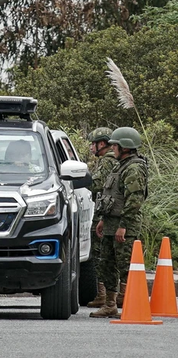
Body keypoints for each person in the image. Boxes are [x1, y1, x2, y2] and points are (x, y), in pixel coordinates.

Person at [90, 127, 148, 318]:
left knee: (126, 267)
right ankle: (110, 304)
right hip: (109, 224)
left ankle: (132, 303)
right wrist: (102, 220)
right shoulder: (119, 165)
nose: (112, 148)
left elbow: (134, 200)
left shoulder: (134, 168)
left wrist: (123, 225)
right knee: (106, 264)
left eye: (115, 145)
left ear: (125, 147)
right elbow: (109, 195)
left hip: (124, 226)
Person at [85, 127, 118, 308]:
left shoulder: (107, 161)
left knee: (100, 253)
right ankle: (109, 295)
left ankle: (104, 295)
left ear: (102, 144)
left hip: (104, 213)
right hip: (108, 212)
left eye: (93, 143)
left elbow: (98, 184)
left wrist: (84, 180)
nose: (91, 147)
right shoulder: (114, 160)